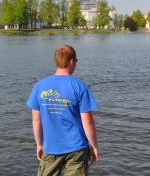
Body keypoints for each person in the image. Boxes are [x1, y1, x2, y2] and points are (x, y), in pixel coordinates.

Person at [27, 44, 99, 176]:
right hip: (77, 149)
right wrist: (94, 146)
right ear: (71, 61)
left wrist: (39, 144)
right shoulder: (80, 87)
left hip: (50, 149)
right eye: (76, 61)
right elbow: (87, 122)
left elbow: (36, 121)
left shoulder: (39, 86)